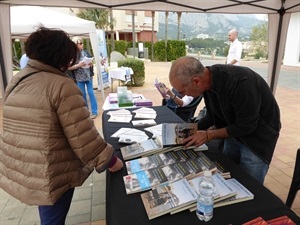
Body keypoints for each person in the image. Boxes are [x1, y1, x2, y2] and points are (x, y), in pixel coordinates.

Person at [0, 26, 123, 225]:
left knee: (47, 213)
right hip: (52, 166)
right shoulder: (61, 85)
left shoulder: (18, 79)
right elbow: (83, 136)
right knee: (53, 219)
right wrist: (110, 160)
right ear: (60, 56)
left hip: (25, 163)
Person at [169, 56, 281, 184]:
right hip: (233, 130)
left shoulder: (241, 83)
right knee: (228, 175)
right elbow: (213, 115)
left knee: (250, 184)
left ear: (196, 81)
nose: (182, 96)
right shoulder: (207, 81)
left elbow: (247, 126)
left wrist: (207, 135)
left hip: (257, 138)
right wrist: (194, 128)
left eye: (182, 91)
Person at [68, 36, 98, 119]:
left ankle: (94, 112)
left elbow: (91, 61)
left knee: (91, 93)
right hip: (79, 77)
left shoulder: (86, 52)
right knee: (82, 95)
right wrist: (78, 65)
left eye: (82, 43)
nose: (82, 44)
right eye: (80, 43)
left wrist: (91, 64)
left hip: (88, 76)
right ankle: (86, 112)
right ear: (75, 44)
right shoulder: (72, 55)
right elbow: (68, 67)